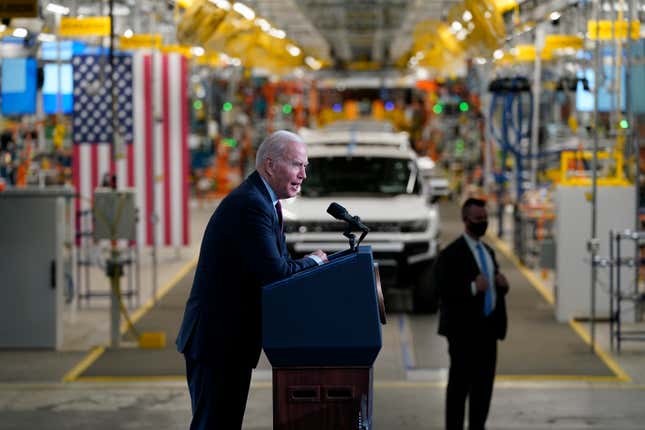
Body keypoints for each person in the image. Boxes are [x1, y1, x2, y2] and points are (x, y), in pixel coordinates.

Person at [176, 130, 328, 429]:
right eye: (297, 165)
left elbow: (278, 265)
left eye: (305, 166)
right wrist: (315, 261)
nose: (303, 175)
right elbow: (276, 274)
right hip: (218, 343)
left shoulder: (263, 202)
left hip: (229, 343)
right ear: (270, 165)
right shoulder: (251, 205)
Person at [433, 197, 510, 430]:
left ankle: (478, 425)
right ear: (465, 220)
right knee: (459, 387)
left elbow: (493, 286)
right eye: (478, 219)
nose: (483, 222)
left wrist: (502, 285)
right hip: (463, 332)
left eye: (485, 218)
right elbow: (442, 289)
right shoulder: (451, 254)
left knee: (483, 388)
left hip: (488, 331)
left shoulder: (487, 251)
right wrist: (473, 287)